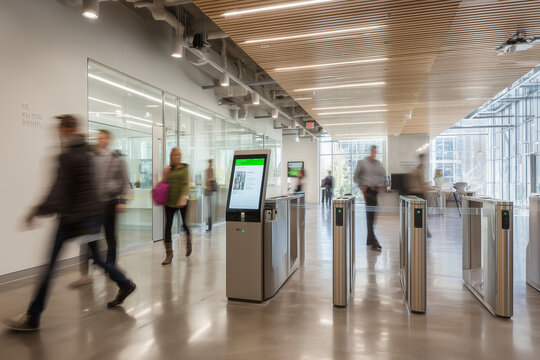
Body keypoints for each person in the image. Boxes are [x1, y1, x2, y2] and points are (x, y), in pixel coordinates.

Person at [4, 115, 136, 332]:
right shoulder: (87, 153)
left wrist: (35, 212)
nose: (57, 133)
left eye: (59, 130)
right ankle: (124, 283)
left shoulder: (68, 156)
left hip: (71, 221)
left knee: (50, 266)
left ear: (66, 131)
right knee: (99, 259)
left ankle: (33, 316)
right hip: (91, 218)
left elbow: (58, 191)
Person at [70, 129, 130, 287]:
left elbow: (125, 182)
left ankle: (110, 267)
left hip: (110, 203)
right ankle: (84, 274)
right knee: (87, 238)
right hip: (92, 205)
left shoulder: (116, 159)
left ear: (109, 140)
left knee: (111, 238)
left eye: (103, 138)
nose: (100, 140)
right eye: (98, 137)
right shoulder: (90, 157)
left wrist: (122, 200)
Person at [353, 145, 386, 252]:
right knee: (370, 217)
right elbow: (355, 177)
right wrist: (361, 186)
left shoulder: (378, 164)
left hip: (375, 191)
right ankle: (373, 242)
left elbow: (383, 176)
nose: (374, 153)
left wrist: (381, 185)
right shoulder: (362, 162)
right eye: (372, 151)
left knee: (373, 217)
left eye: (375, 152)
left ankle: (369, 240)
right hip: (367, 192)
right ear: (370, 151)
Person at [162, 147, 191, 265]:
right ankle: (169, 253)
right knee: (168, 226)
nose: (177, 157)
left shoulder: (185, 168)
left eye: (178, 155)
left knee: (185, 224)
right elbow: (163, 184)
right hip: (169, 202)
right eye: (175, 155)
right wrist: (165, 173)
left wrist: (183, 196)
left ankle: (189, 243)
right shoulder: (169, 169)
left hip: (182, 201)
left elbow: (186, 184)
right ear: (171, 156)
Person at [407, 153, 432, 237]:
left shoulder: (420, 169)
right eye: (422, 159)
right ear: (420, 159)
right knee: (420, 214)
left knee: (421, 214)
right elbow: (420, 184)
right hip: (418, 195)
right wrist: (429, 188)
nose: (423, 161)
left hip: (421, 194)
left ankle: (424, 231)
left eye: (424, 159)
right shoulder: (417, 170)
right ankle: (423, 232)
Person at [205, 159, 216, 232]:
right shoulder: (208, 170)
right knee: (209, 208)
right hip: (209, 191)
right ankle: (209, 225)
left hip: (210, 191)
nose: (211, 164)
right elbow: (208, 180)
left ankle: (210, 226)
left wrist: (210, 179)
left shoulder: (210, 169)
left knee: (209, 209)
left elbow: (210, 179)